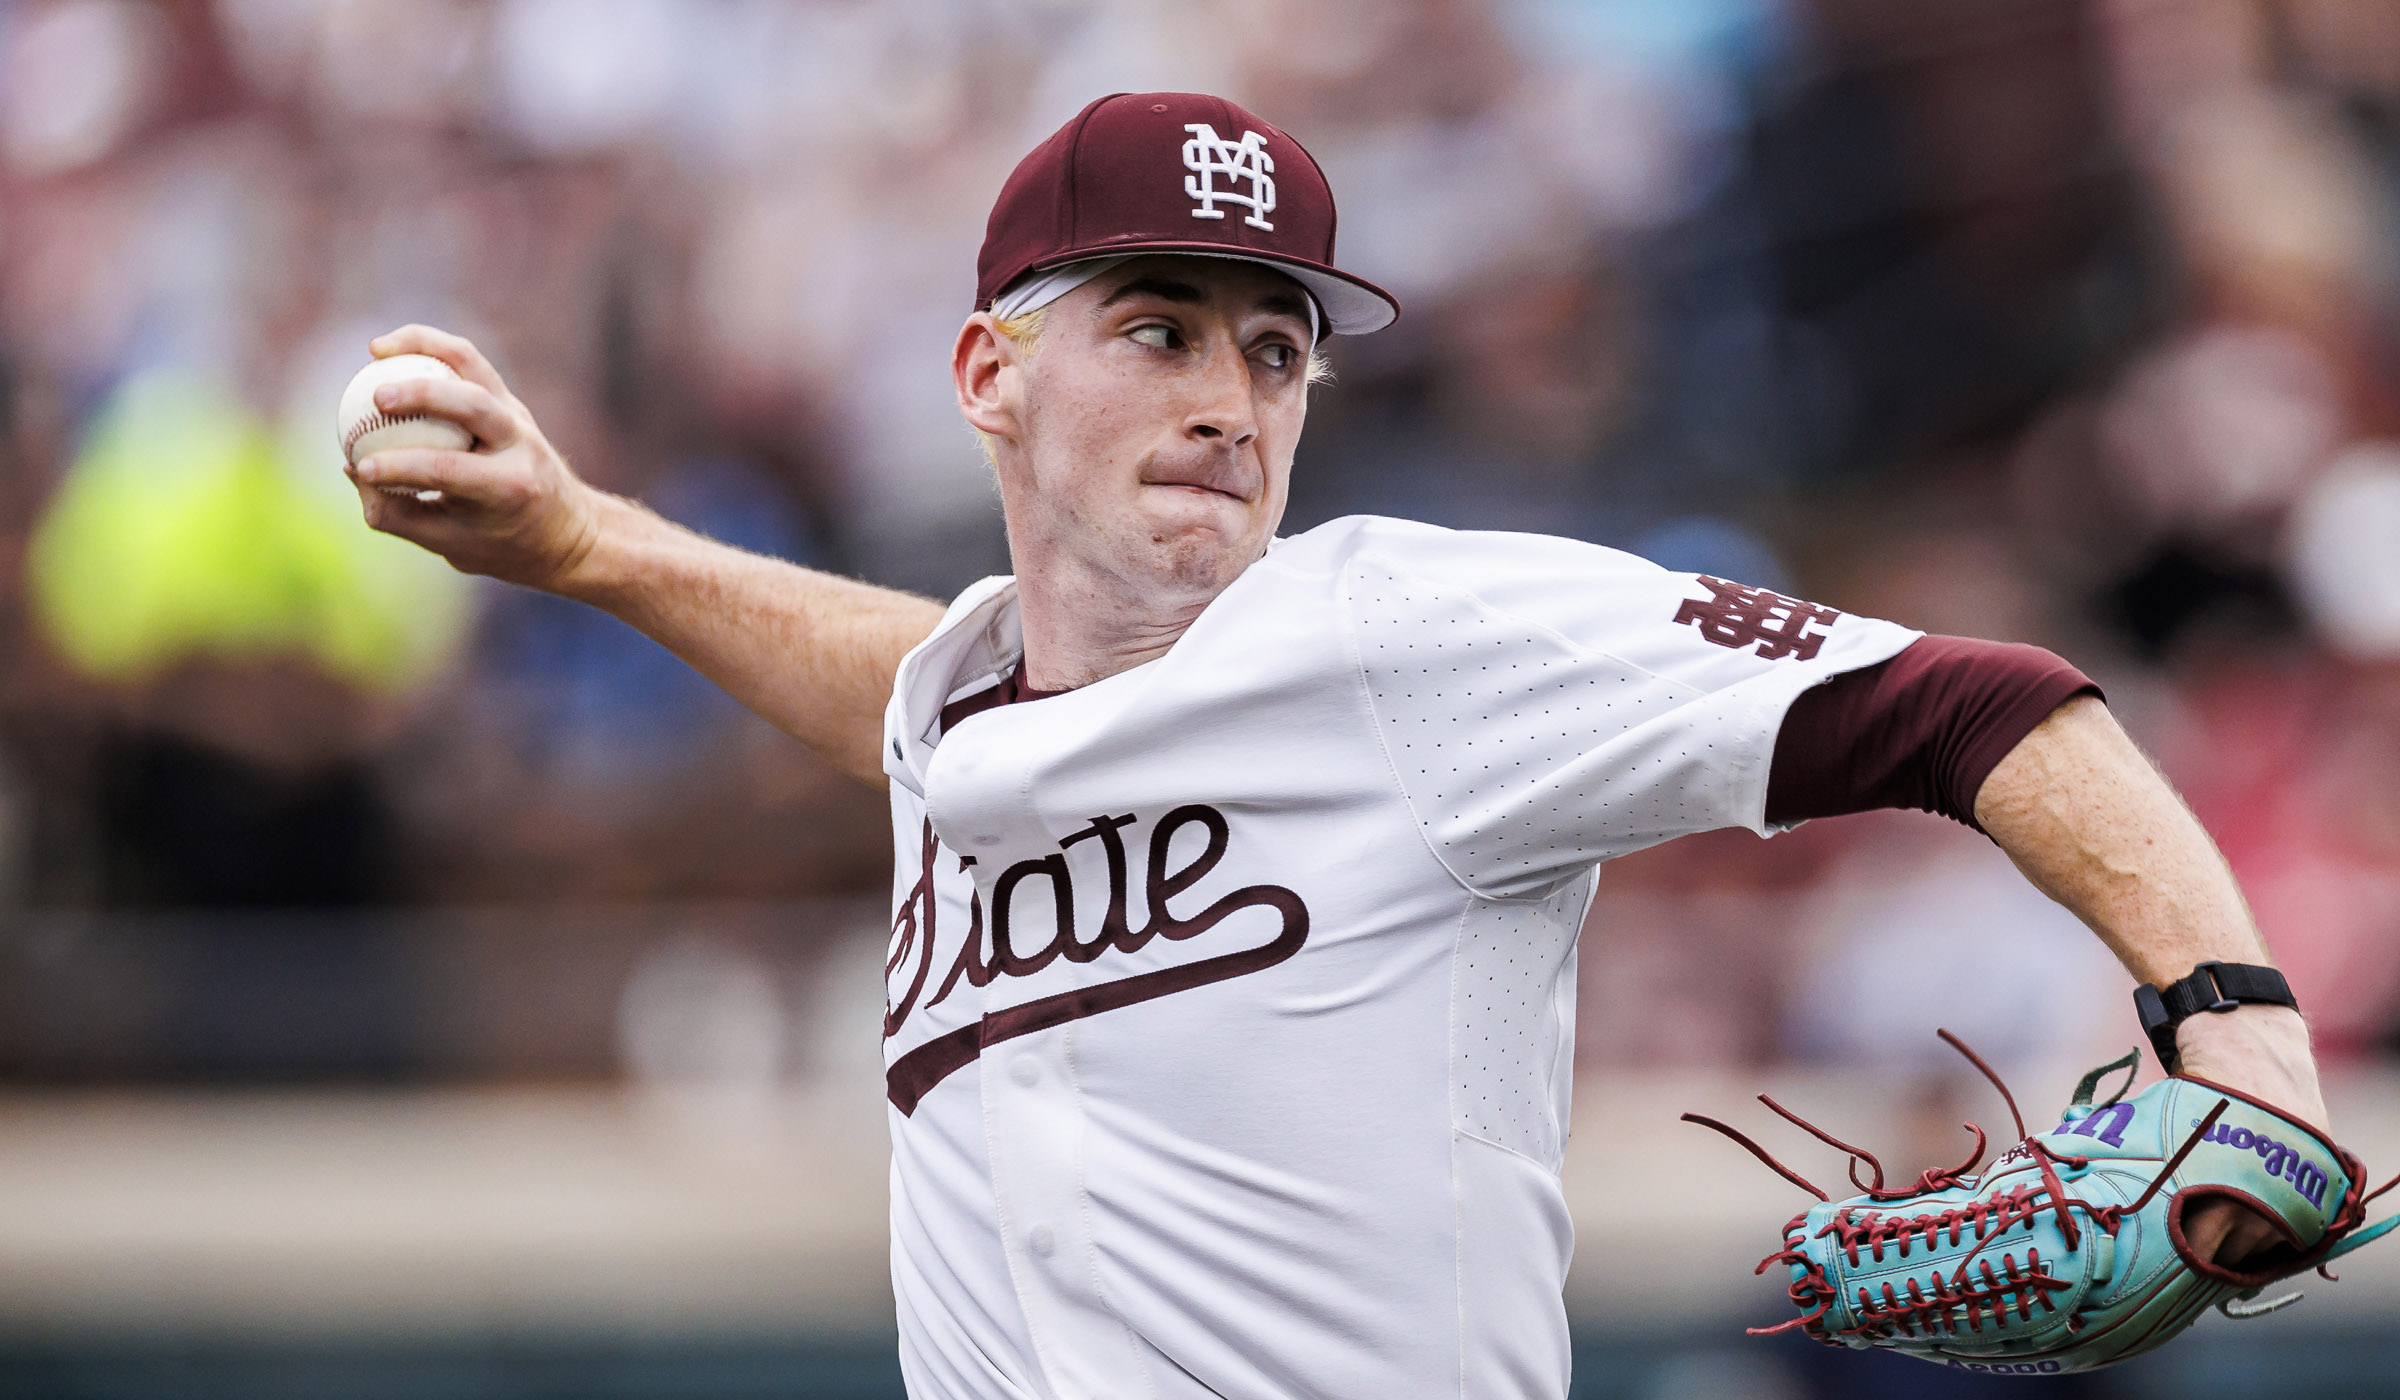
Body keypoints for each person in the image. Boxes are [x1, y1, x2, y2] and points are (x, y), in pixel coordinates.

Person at [349, 93, 2330, 1400]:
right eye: (1161, 325)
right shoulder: (961, 702)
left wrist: (2238, 1024)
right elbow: (906, 685)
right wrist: (589, 545)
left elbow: (1976, 700)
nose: (1231, 391)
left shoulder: (1406, 637)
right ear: (989, 375)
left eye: (1275, 347)